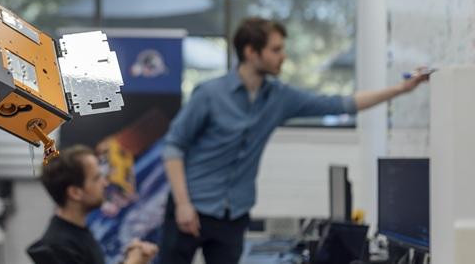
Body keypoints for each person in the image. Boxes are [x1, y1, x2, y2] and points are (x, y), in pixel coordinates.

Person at [160, 17, 430, 264]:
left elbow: (341, 104)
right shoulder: (209, 94)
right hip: (190, 207)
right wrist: (183, 204)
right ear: (251, 52)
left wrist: (401, 89)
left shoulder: (280, 98)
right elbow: (173, 147)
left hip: (234, 215)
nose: (283, 56)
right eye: (275, 50)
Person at [28, 145, 159, 264]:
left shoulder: (78, 233)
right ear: (75, 193)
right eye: (97, 178)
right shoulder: (58, 248)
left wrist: (132, 258)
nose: (105, 183)